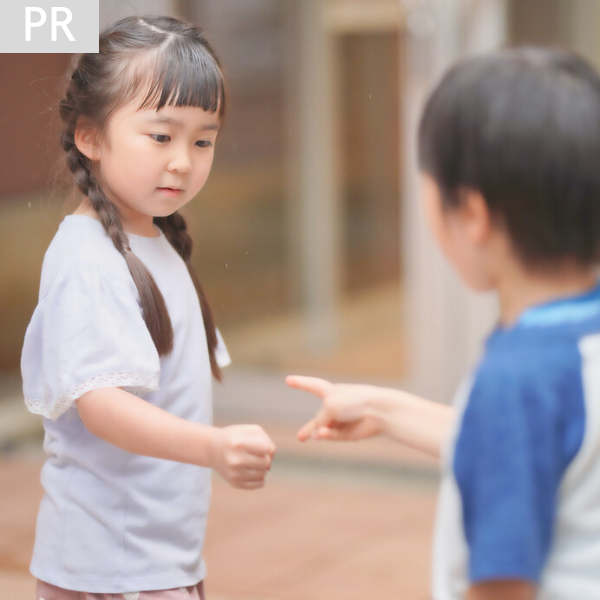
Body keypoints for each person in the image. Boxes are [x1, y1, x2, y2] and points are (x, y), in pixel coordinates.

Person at [287, 47, 600, 600]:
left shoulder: (516, 382)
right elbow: (533, 448)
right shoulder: (570, 351)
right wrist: (385, 410)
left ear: (473, 216)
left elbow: (503, 584)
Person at [21, 15, 276, 600]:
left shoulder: (152, 242)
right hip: (111, 565)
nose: (183, 161)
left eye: (202, 140)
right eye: (161, 136)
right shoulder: (87, 259)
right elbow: (103, 405)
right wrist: (212, 448)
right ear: (90, 136)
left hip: (153, 558)